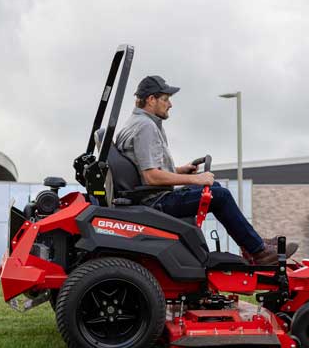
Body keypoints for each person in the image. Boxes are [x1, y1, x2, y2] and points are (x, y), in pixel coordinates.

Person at [114, 75, 297, 265]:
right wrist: (196, 179)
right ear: (151, 99)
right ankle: (259, 252)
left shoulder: (134, 123)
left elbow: (144, 167)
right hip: (156, 202)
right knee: (221, 196)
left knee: (216, 188)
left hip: (148, 197)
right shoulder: (146, 127)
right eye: (166, 99)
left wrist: (181, 170)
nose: (170, 105)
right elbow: (151, 176)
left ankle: (253, 244)